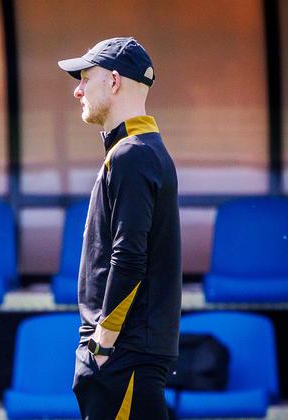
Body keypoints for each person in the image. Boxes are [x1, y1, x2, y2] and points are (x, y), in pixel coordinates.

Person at [58, 37, 181, 419]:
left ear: (113, 81)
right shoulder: (136, 151)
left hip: (123, 354)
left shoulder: (132, 154)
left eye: (85, 78)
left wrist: (102, 344)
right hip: (125, 353)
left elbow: (129, 256)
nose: (78, 89)